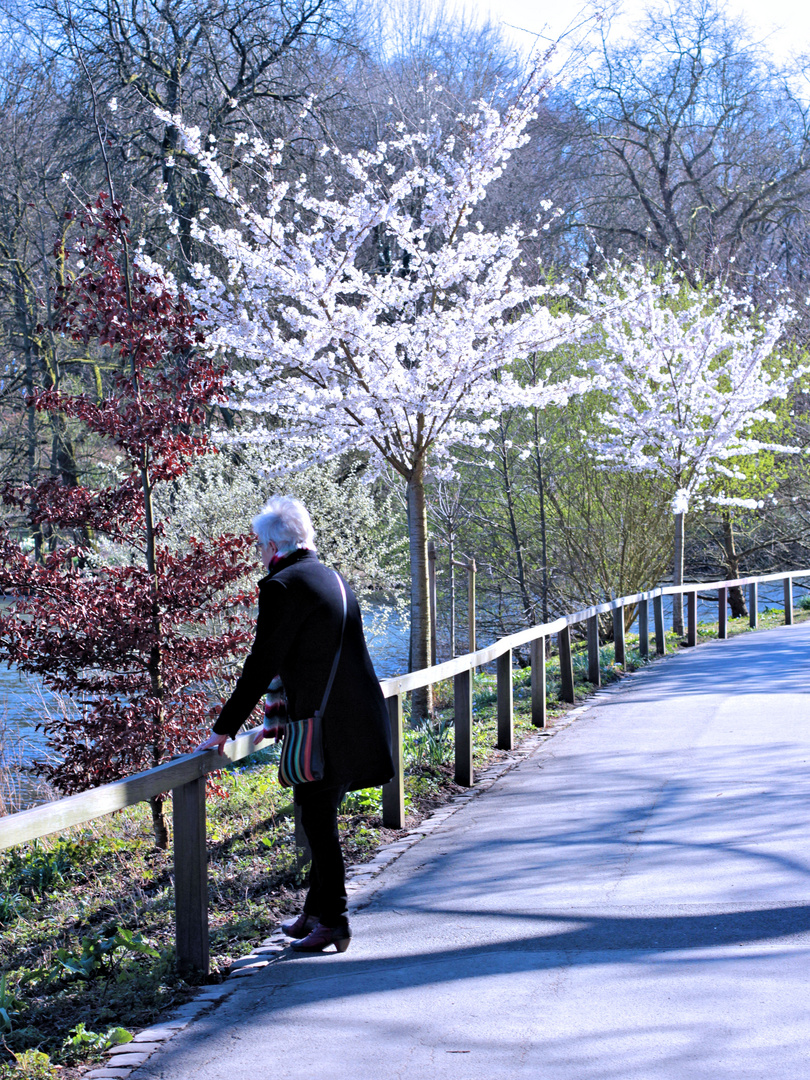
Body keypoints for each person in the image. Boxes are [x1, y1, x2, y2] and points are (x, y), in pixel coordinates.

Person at [196, 496, 394, 954]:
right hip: (359, 714)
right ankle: (314, 911)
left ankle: (335, 921)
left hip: (327, 726)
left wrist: (223, 729)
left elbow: (262, 664)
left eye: (257, 546)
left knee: (318, 821)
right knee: (316, 813)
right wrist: (278, 716)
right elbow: (309, 656)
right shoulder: (330, 576)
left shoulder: (283, 586)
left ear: (270, 544)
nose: (257, 555)